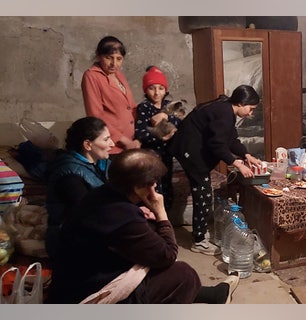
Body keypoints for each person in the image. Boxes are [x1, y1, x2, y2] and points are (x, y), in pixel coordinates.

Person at [47, 149, 239, 304]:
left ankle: (214, 296)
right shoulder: (122, 216)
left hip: (70, 281)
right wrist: (160, 212)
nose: (155, 186)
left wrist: (142, 213)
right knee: (183, 274)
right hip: (86, 293)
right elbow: (167, 256)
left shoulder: (100, 194)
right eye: (153, 182)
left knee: (152, 248)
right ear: (143, 186)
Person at [169, 84, 263, 255]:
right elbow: (217, 145)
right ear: (241, 103)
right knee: (203, 195)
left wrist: (247, 156)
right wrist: (238, 164)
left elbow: (231, 139)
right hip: (189, 150)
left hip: (191, 148)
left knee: (204, 192)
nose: (251, 113)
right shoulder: (224, 113)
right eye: (251, 108)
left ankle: (201, 234)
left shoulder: (227, 110)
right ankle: (199, 241)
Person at [44, 116, 113, 260]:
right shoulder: (68, 174)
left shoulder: (102, 165)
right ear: (88, 145)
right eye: (106, 140)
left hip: (95, 231)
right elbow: (87, 212)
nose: (112, 144)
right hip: (71, 241)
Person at [81, 35, 140, 155]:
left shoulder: (119, 75)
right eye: (109, 58)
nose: (114, 63)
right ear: (98, 55)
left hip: (131, 142)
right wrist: (123, 140)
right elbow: (95, 115)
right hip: (111, 146)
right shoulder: (92, 76)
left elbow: (130, 106)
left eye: (119, 59)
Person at [134, 65, 180, 210]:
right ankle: (154, 218)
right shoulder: (144, 107)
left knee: (167, 186)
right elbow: (140, 133)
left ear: (165, 90)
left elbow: (181, 121)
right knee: (154, 187)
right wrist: (161, 136)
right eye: (151, 88)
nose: (156, 93)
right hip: (152, 155)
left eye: (160, 88)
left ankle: (166, 219)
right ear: (145, 90)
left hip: (167, 154)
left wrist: (166, 116)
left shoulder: (169, 106)